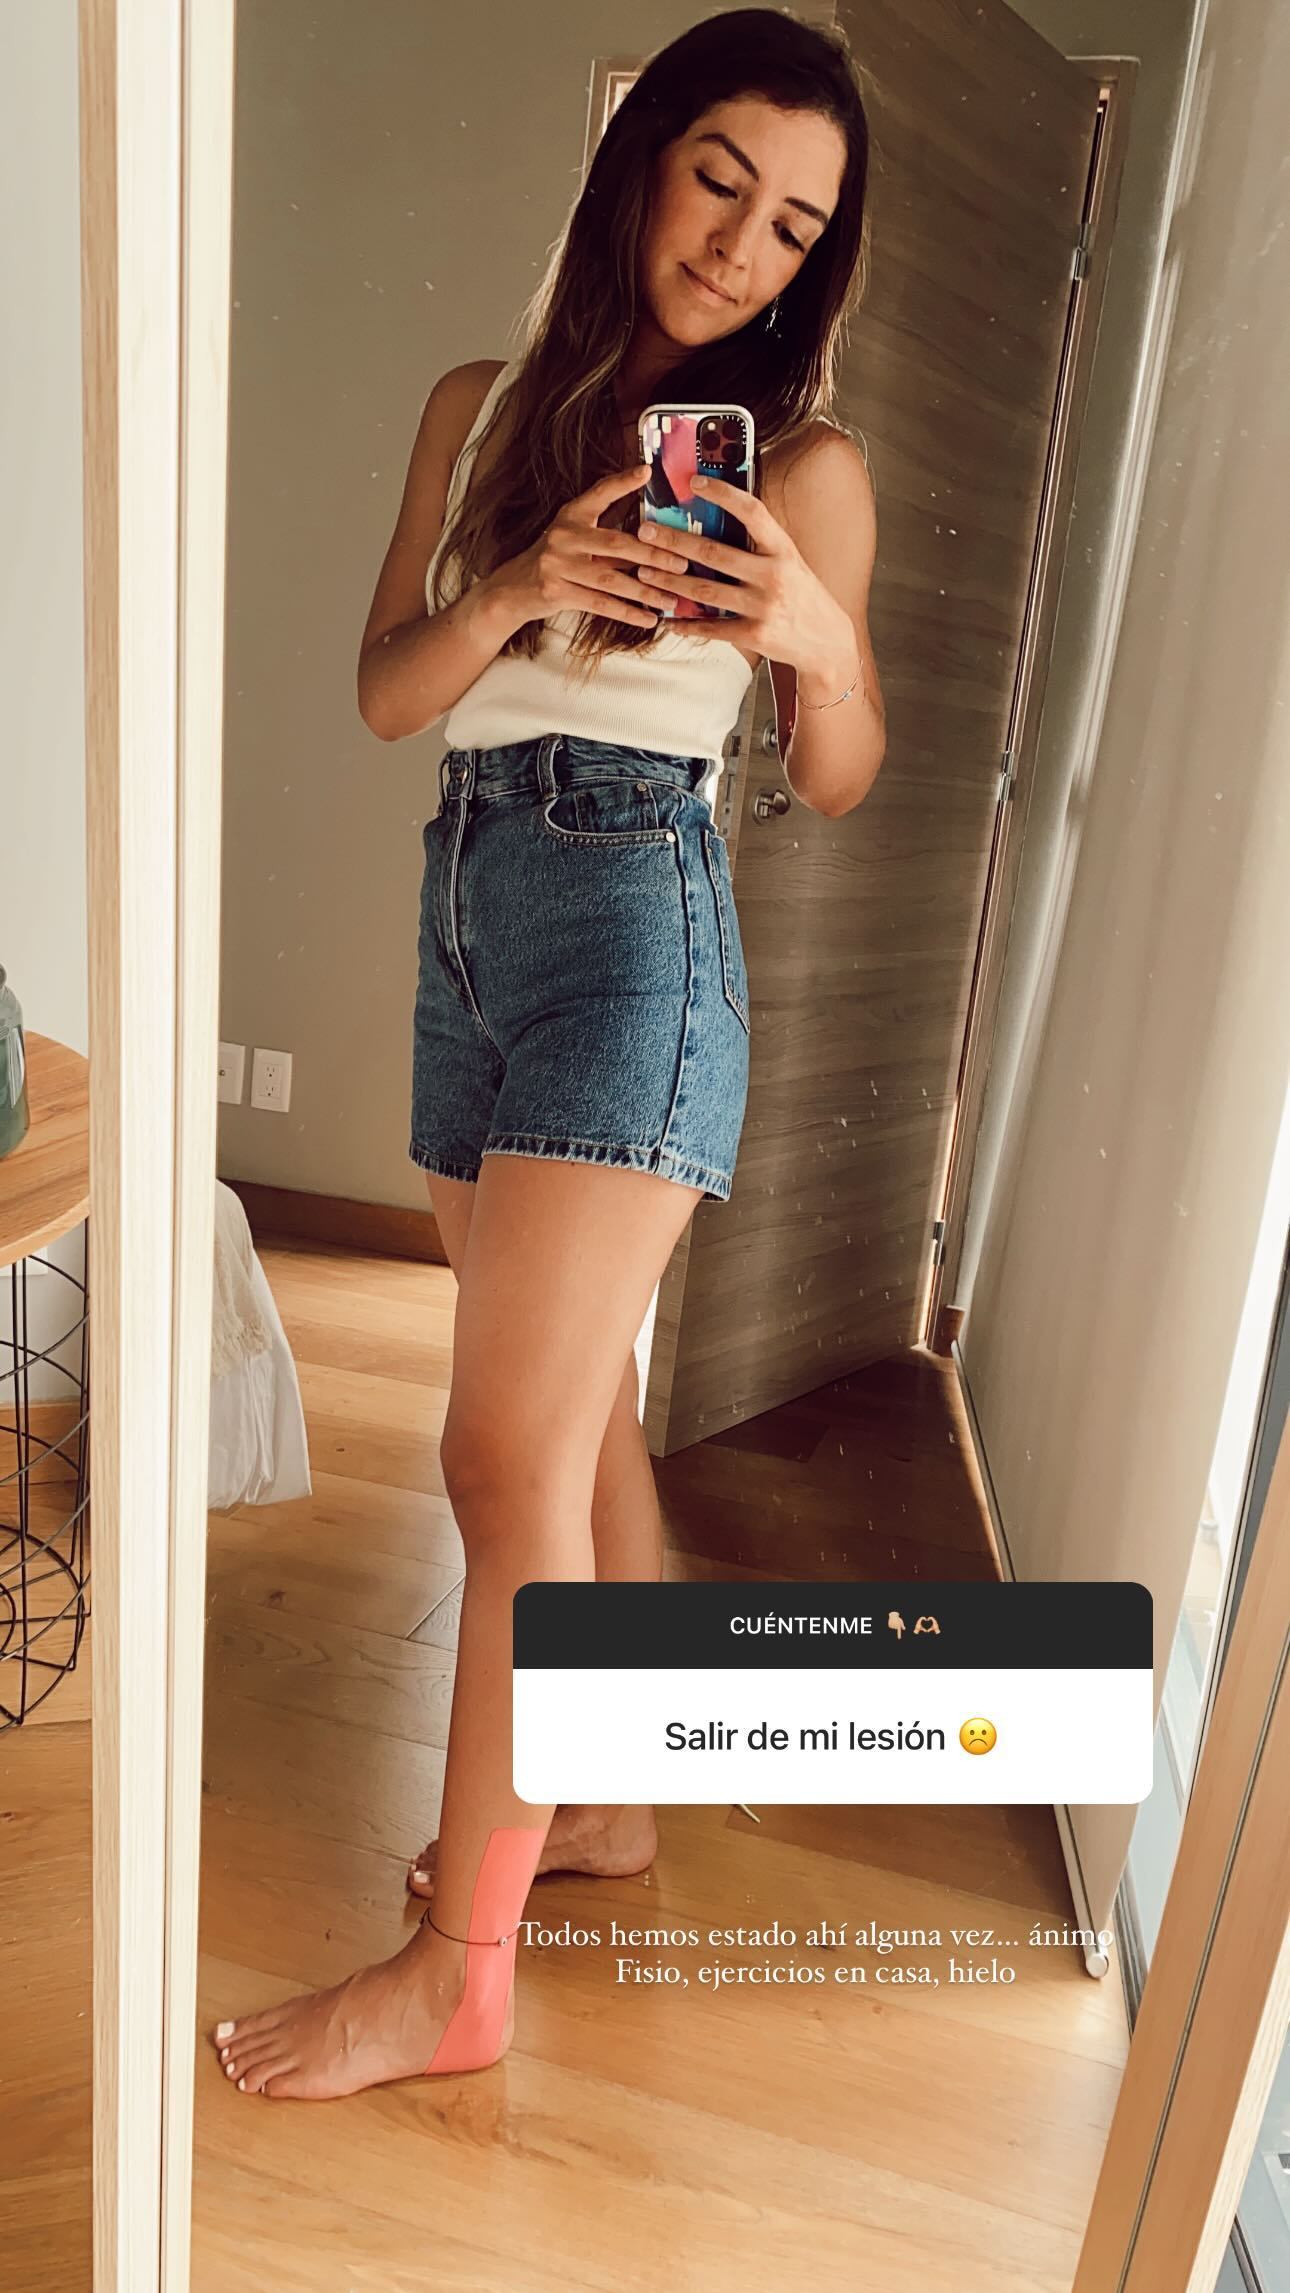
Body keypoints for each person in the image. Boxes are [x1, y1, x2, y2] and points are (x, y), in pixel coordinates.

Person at [212, 7, 886, 2101]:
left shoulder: (812, 468)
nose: (745, 247)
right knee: (577, 1418)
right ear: (639, 155)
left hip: (636, 928)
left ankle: (457, 1974)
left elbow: (838, 774)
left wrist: (816, 636)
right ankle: (606, 1799)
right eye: (720, 180)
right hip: (469, 919)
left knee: (498, 1459)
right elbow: (385, 694)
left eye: (795, 226)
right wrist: (515, 583)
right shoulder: (481, 405)